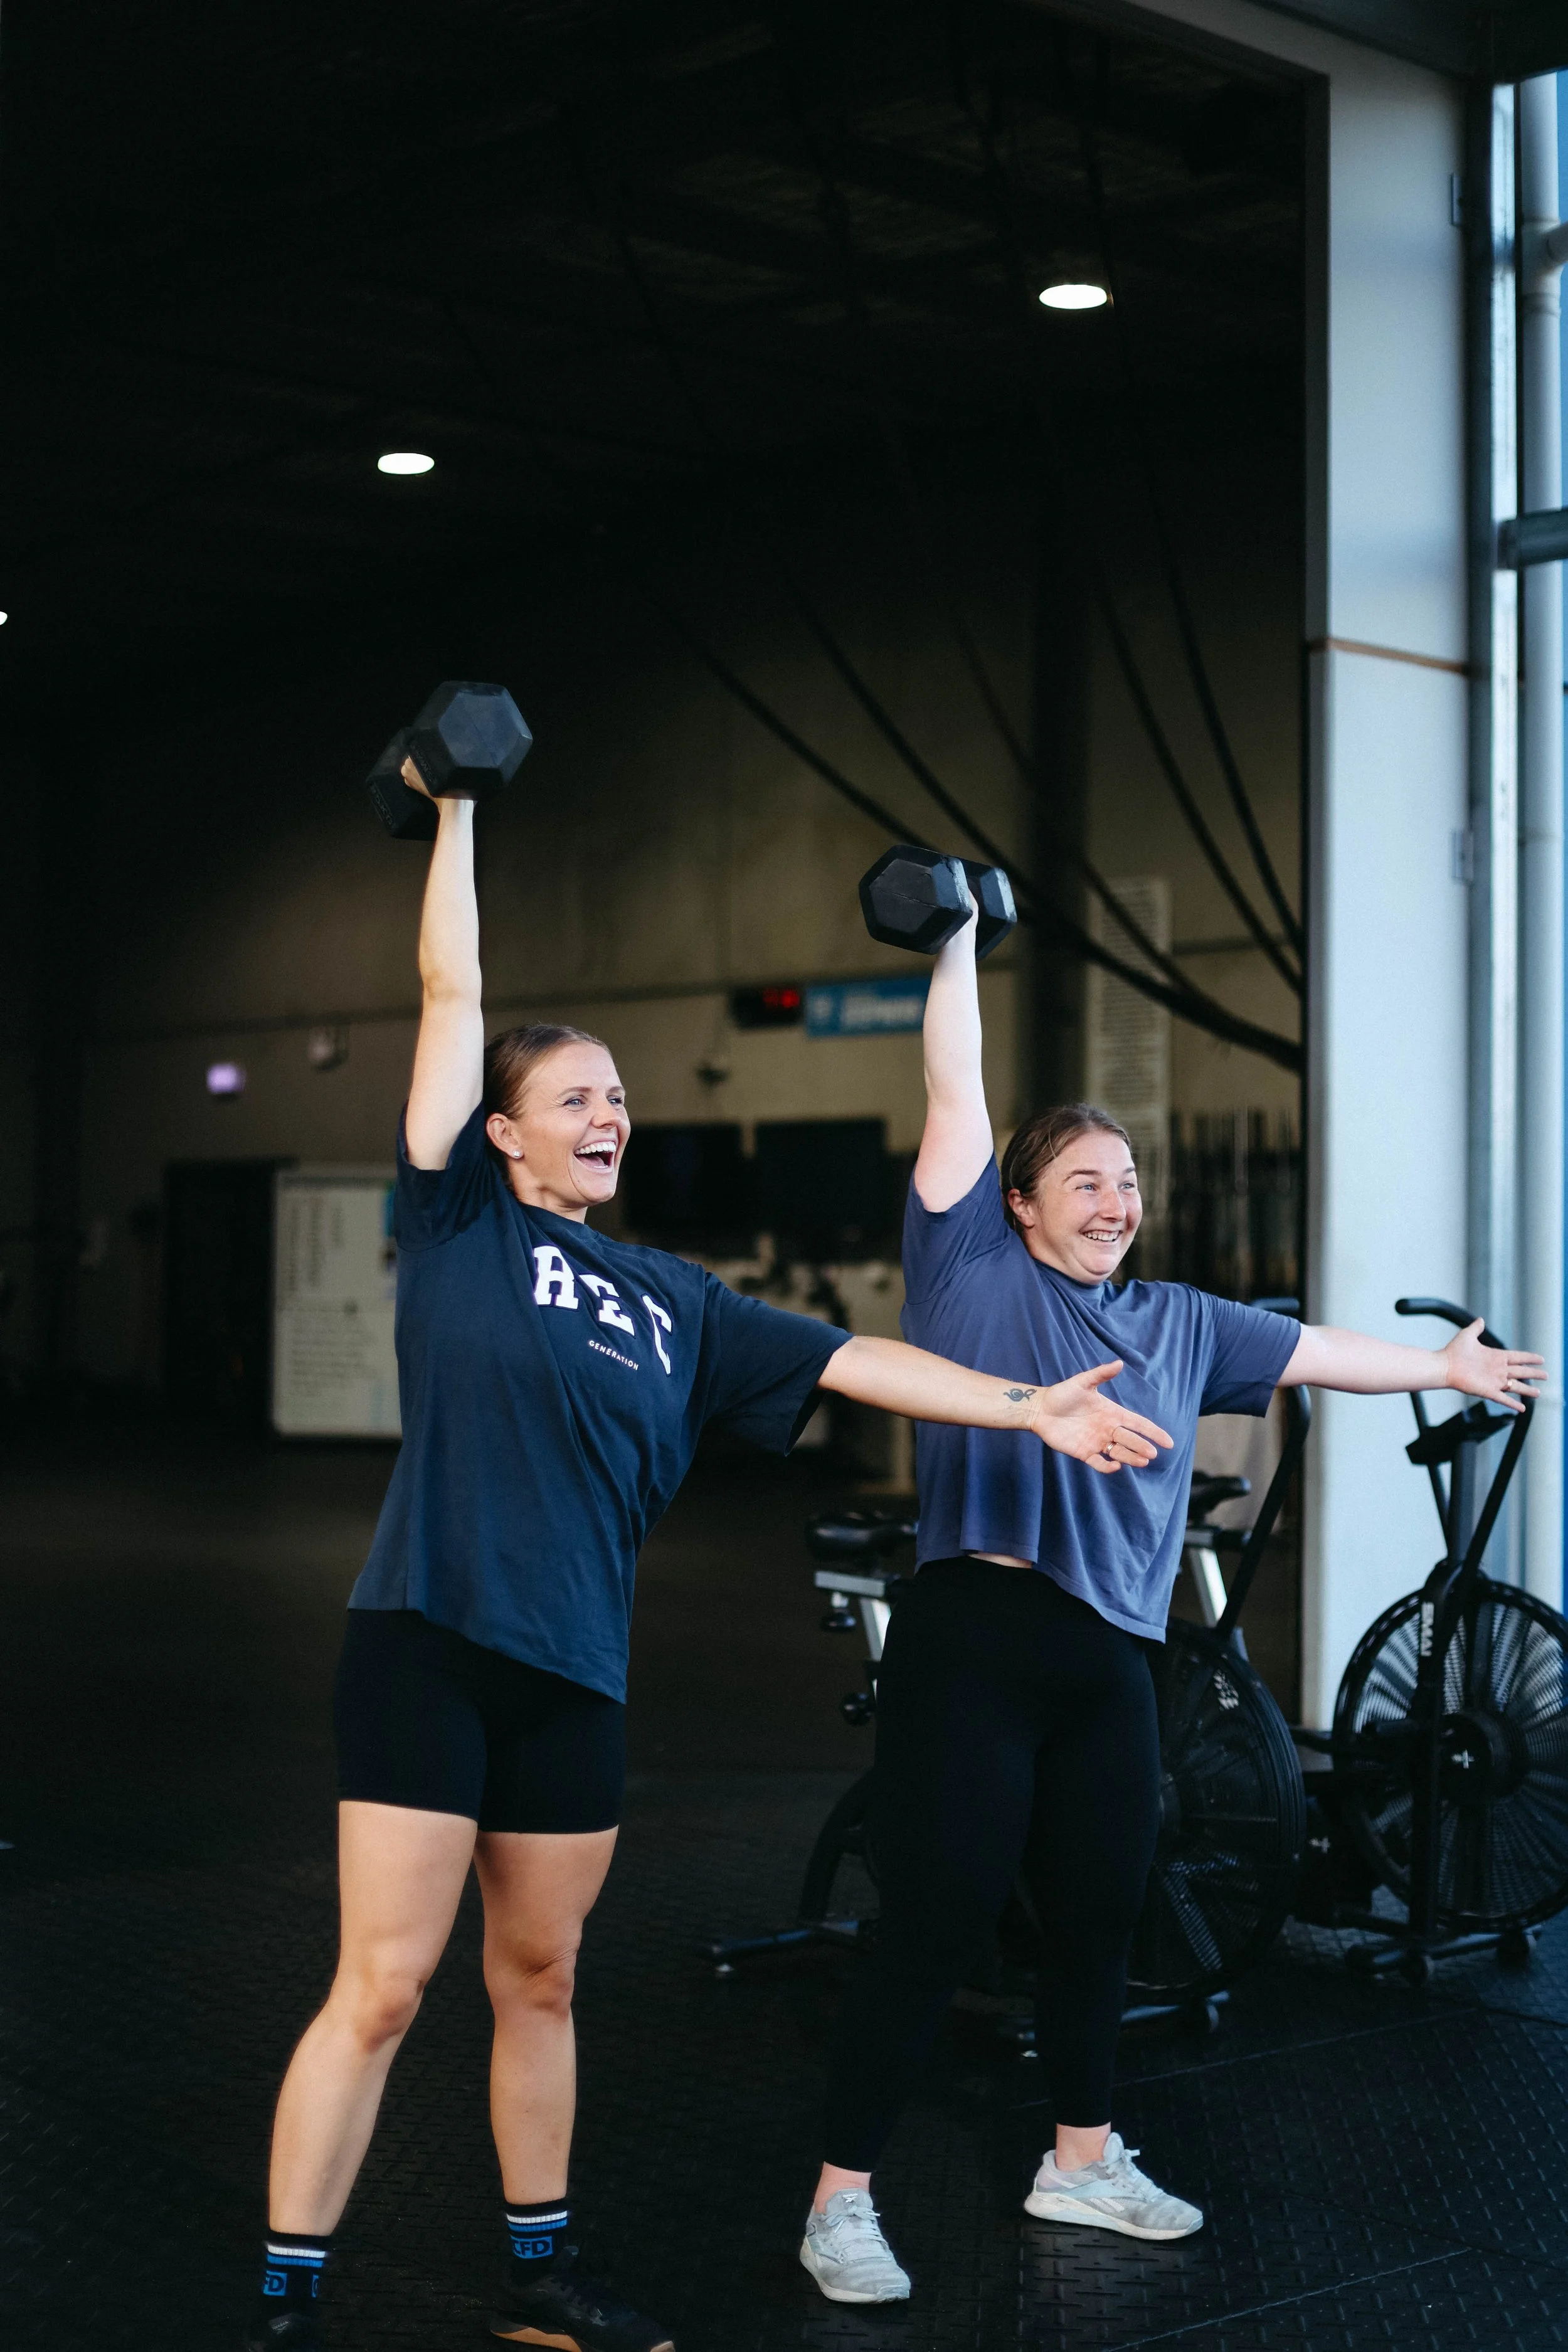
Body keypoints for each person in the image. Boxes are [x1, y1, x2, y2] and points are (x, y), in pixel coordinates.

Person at [243, 774, 1177, 2352]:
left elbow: (858, 1360)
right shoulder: (456, 1222)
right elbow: (450, 989)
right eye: (577, 1098)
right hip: (426, 1645)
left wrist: (1023, 1404)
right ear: (501, 1132)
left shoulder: (676, 1299)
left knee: (538, 1981)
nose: (610, 1116)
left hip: (573, 1676)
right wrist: (455, 806)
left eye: (620, 1100)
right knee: (387, 1988)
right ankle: (285, 2299)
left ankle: (539, 2274)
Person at [798, 884, 1545, 2307]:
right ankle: (841, 2200)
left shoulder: (1179, 1322)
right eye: (1083, 1181)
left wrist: (1444, 1370)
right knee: (938, 1918)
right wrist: (955, 936)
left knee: (1099, 1911)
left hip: (1109, 1661)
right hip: (974, 1637)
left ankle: (1078, 2161)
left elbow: (1323, 1348)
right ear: (1015, 1204)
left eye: (1127, 1182)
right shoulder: (963, 1277)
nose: (1115, 1202)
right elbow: (952, 1086)